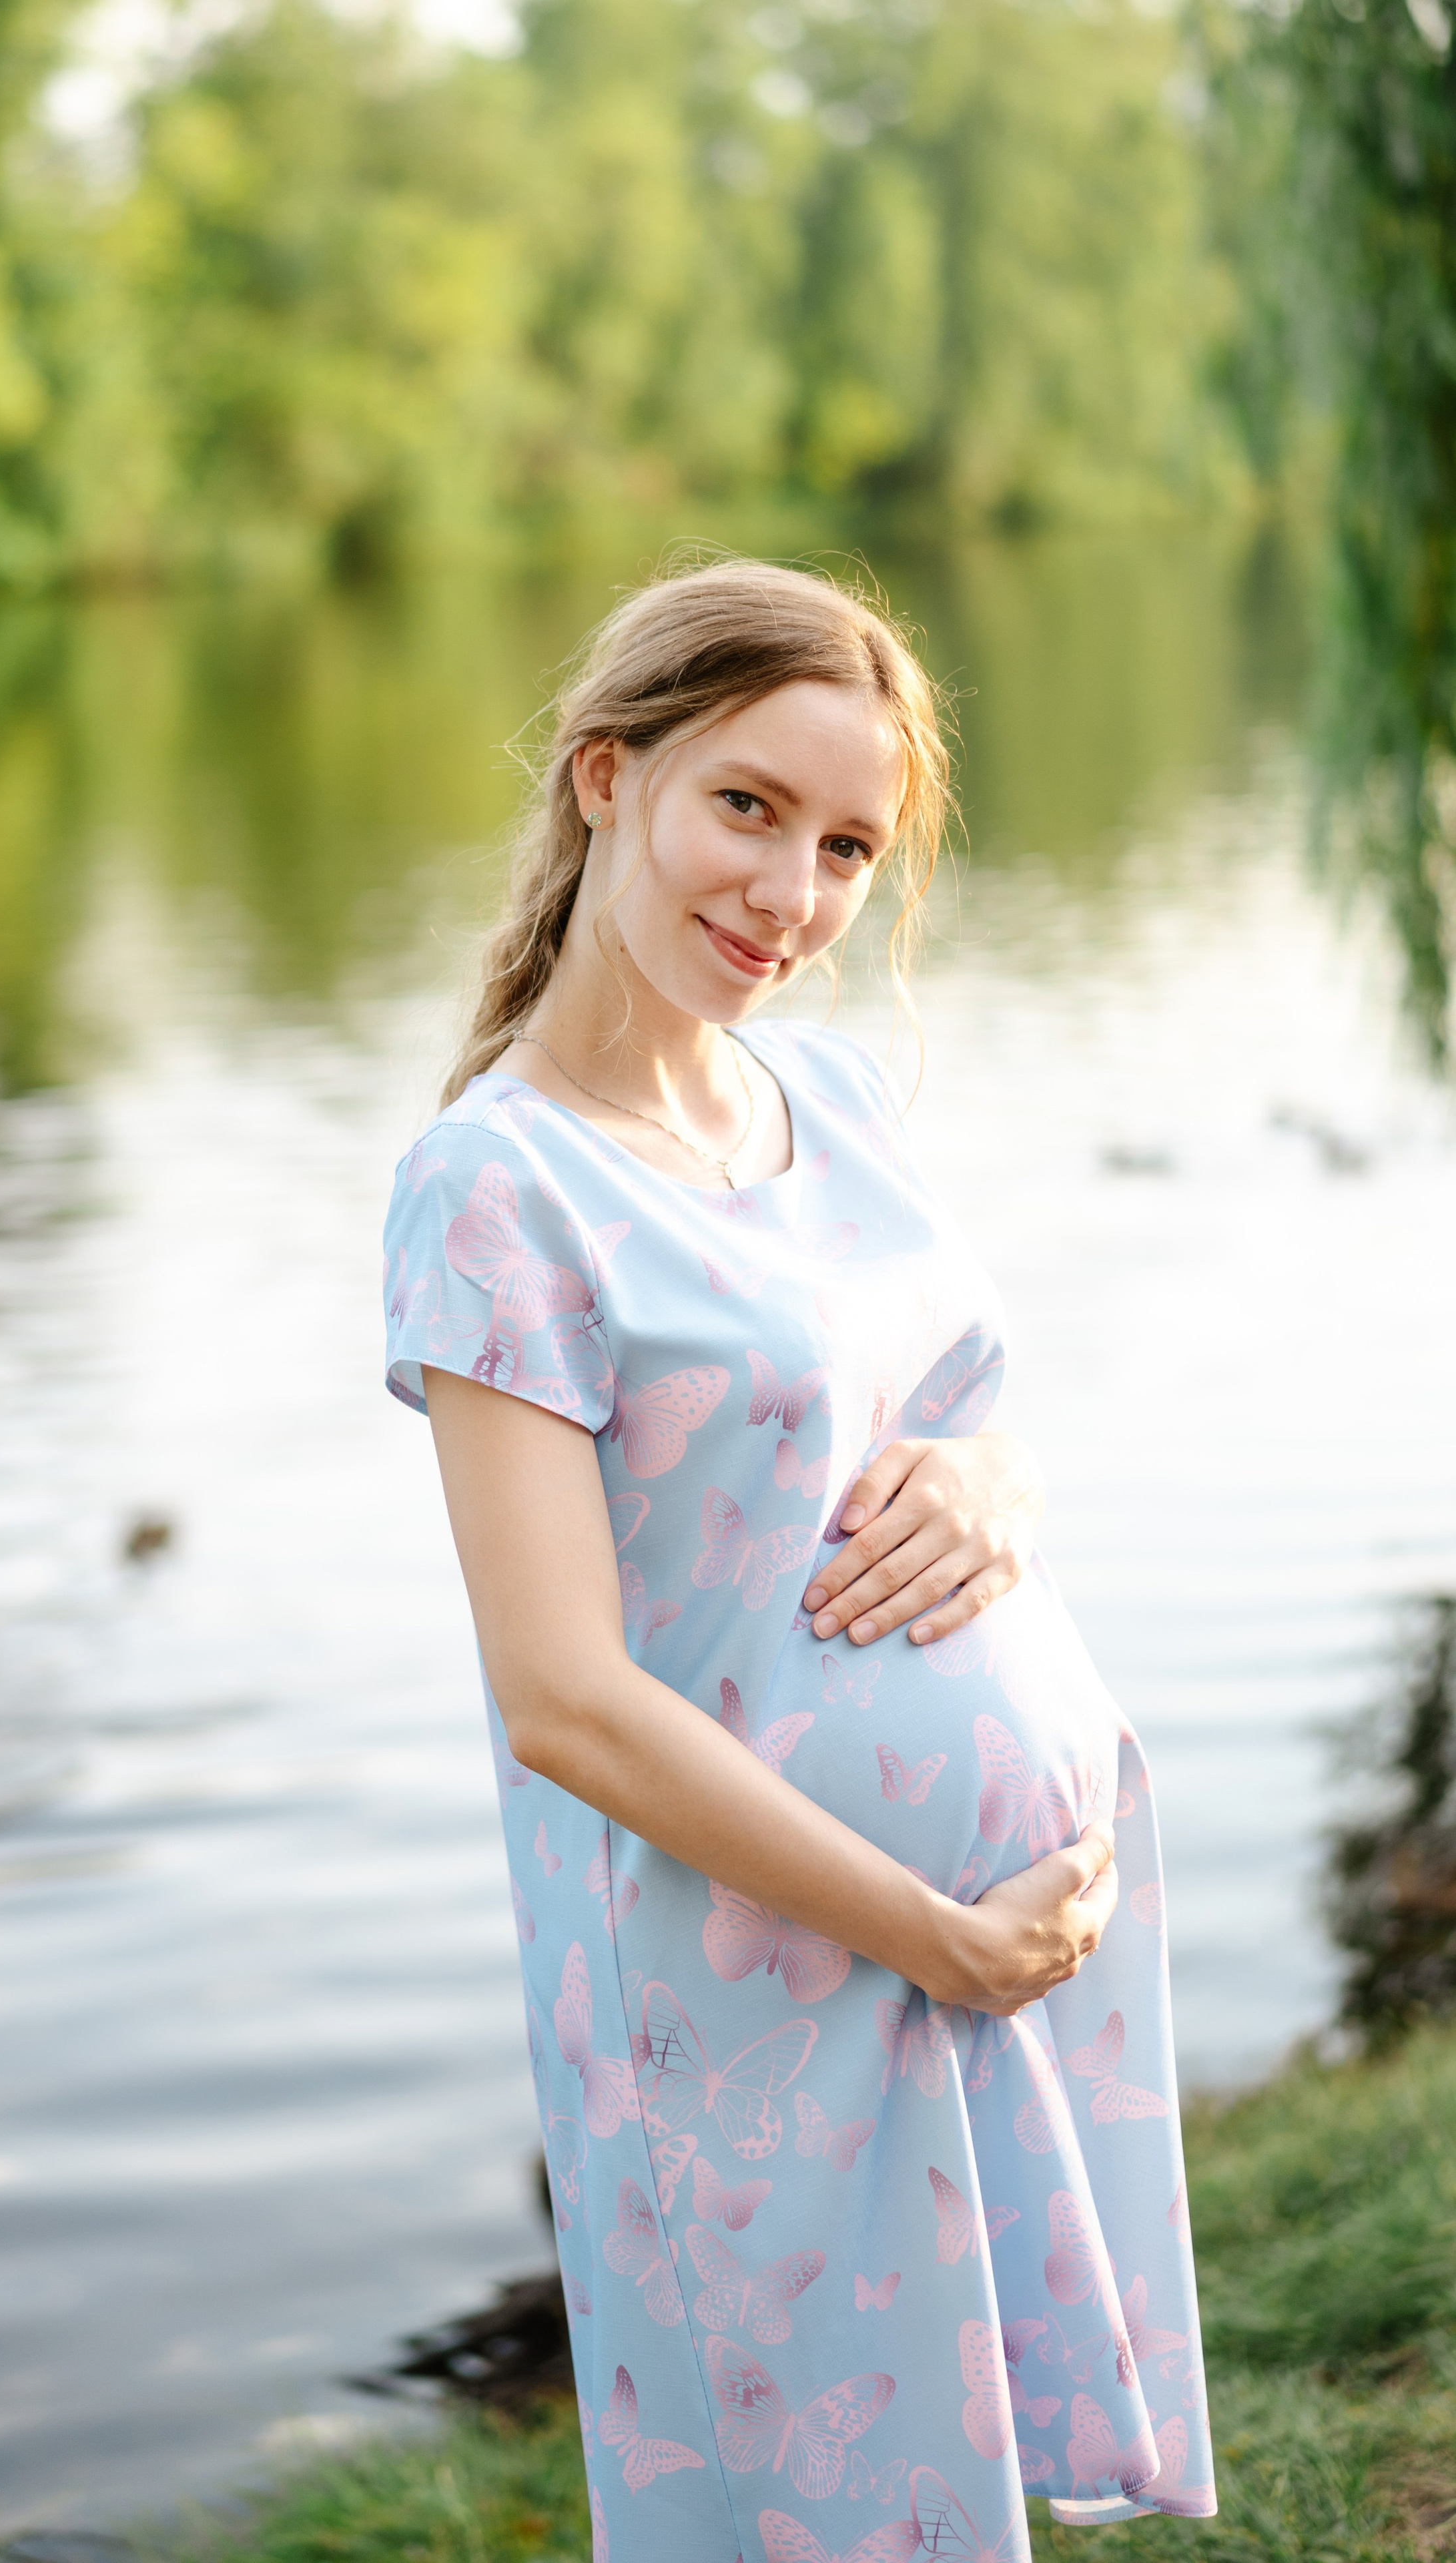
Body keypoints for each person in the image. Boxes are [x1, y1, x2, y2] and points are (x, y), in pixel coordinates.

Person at [382, 559, 1214, 2562]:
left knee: (954, 2498)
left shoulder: (824, 1092)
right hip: (752, 1984)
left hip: (971, 1951)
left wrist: (1002, 1479)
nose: (792, 892)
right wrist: (936, 1936)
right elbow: (566, 1704)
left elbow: (947, 1405)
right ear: (610, 779)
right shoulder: (499, 1188)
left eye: (849, 845)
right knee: (813, 2521)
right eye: (747, 808)